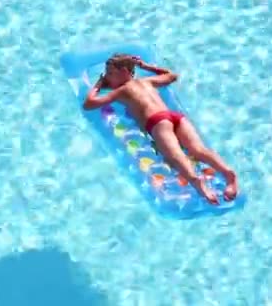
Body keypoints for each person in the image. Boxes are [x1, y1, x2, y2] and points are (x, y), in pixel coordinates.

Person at [83, 54, 238, 205]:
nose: (107, 77)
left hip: (157, 121)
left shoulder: (122, 91)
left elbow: (89, 104)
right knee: (198, 150)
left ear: (124, 72)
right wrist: (146, 66)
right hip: (175, 117)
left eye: (110, 74)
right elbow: (172, 76)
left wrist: (98, 83)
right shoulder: (147, 81)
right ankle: (228, 174)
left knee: (175, 156)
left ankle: (198, 182)